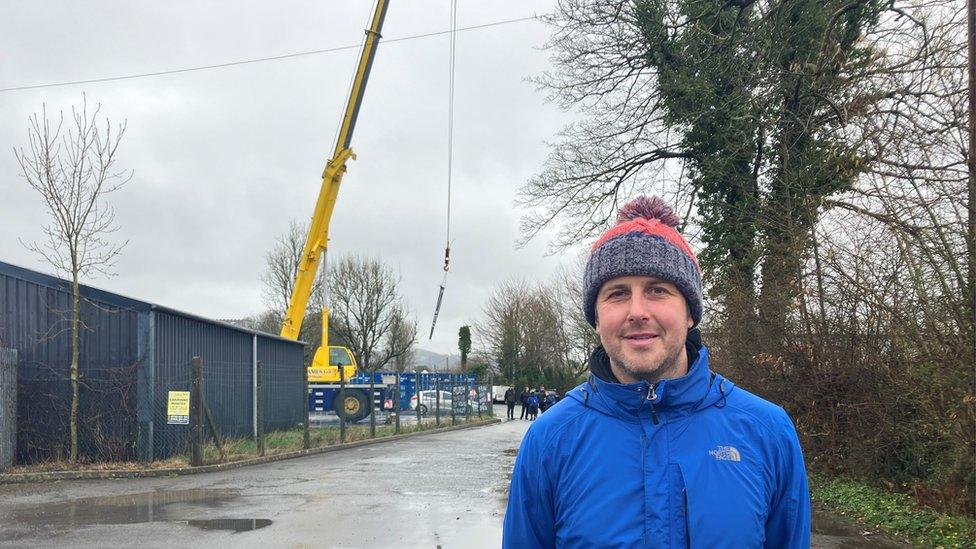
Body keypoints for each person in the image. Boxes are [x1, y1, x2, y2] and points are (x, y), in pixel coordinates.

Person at [503, 196, 810, 548]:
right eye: (617, 294)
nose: (637, 311)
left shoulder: (767, 432)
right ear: (596, 318)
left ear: (690, 312)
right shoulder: (550, 439)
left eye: (657, 291)